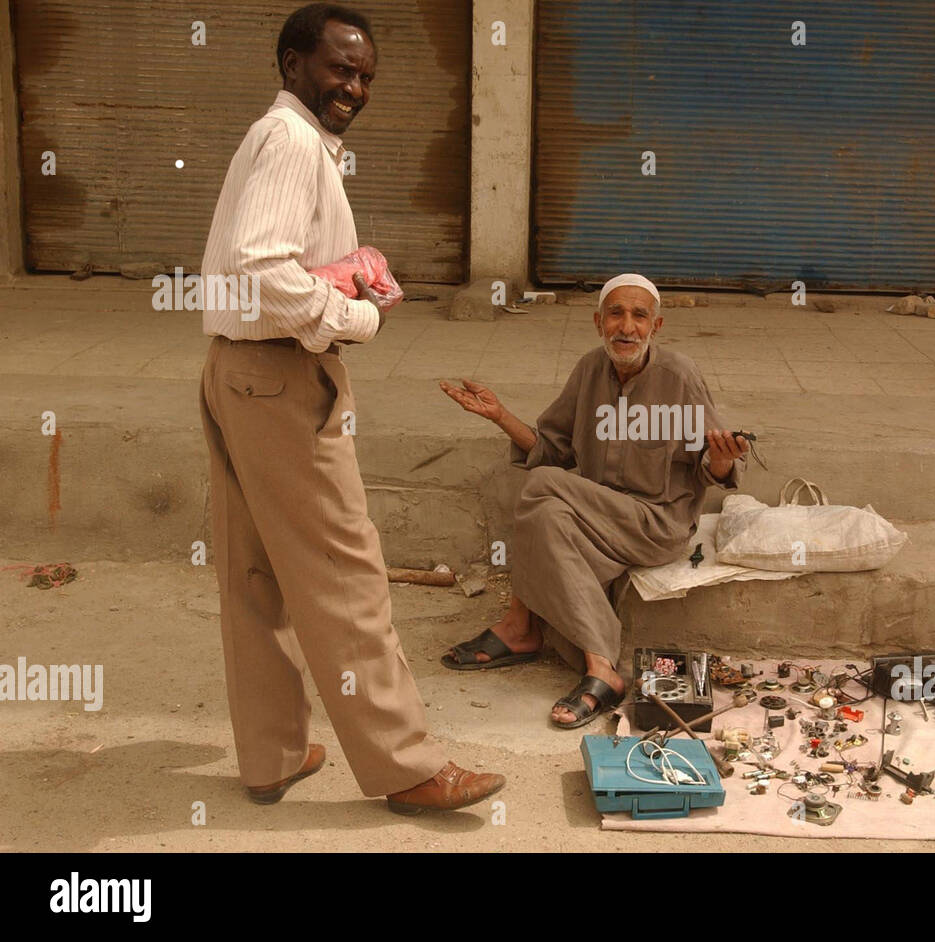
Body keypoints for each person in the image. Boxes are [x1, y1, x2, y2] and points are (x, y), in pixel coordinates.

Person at [199, 2, 503, 814]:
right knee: (348, 575)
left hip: (236, 369)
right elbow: (263, 263)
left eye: (365, 74)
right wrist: (356, 317)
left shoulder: (285, 140)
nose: (354, 86)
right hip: (278, 379)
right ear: (292, 64)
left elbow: (257, 261)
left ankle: (272, 756)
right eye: (339, 68)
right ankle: (405, 767)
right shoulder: (294, 141)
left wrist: (337, 273)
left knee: (256, 572)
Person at [440, 274, 750, 727]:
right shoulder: (589, 370)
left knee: (542, 487)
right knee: (544, 511)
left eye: (639, 316)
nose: (626, 327)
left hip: (655, 523)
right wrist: (501, 416)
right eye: (616, 314)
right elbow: (555, 447)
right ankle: (597, 667)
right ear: (597, 321)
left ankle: (520, 625)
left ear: (656, 326)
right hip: (593, 517)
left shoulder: (678, 377)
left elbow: (711, 465)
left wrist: (722, 460)